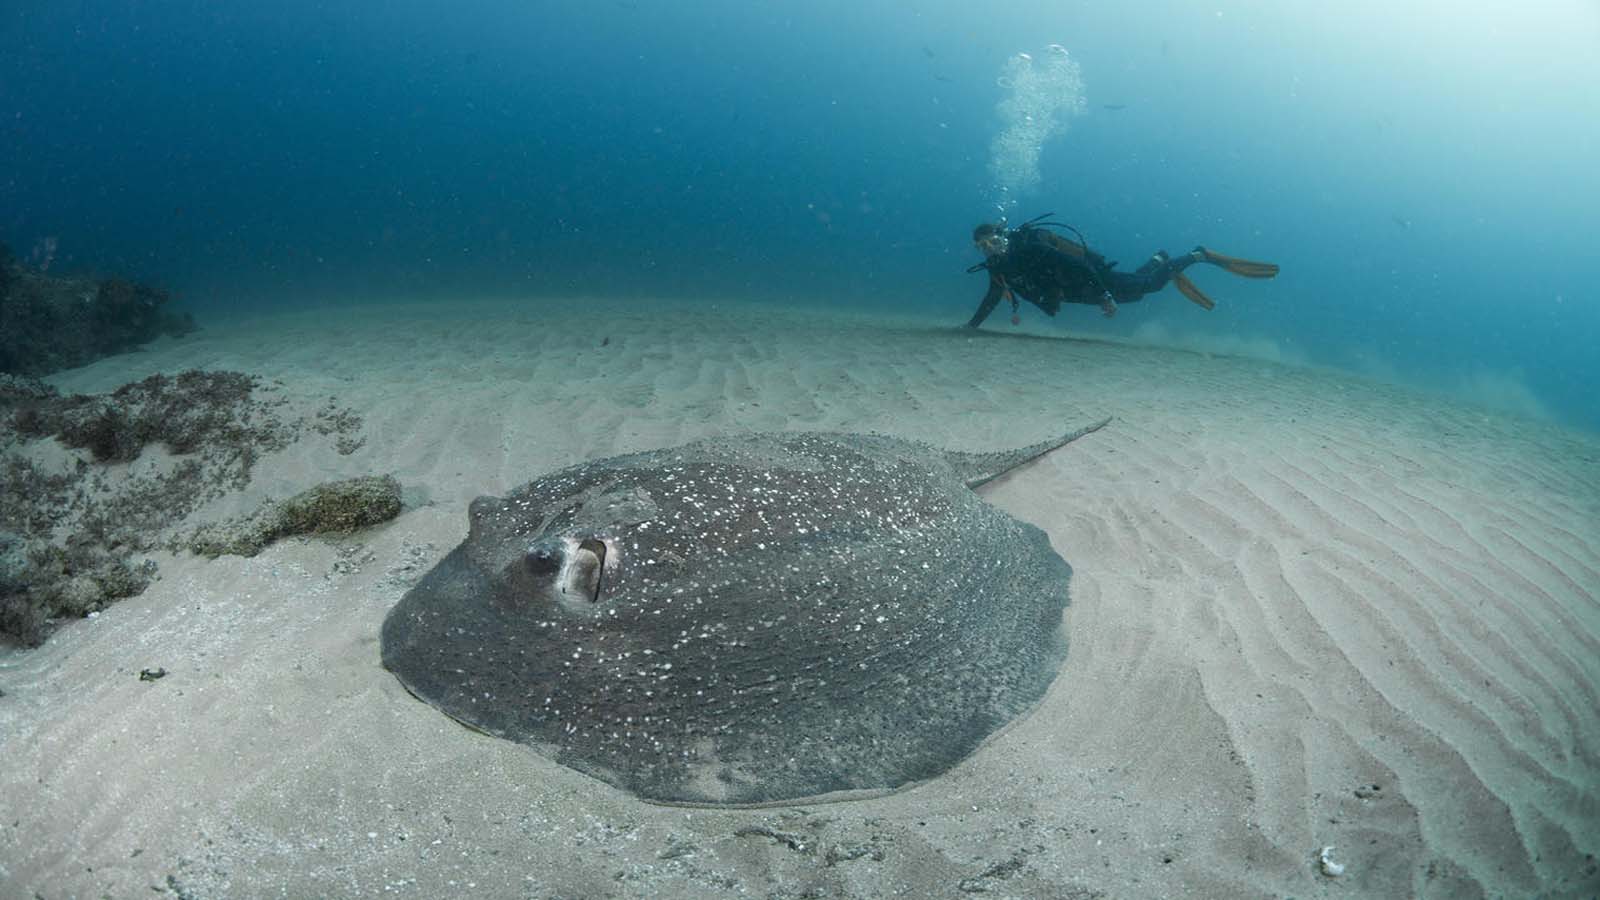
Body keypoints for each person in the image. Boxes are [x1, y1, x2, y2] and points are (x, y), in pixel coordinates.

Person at [964, 214, 1279, 328]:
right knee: (1138, 289)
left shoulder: (1031, 248)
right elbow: (993, 295)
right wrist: (972, 326)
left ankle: (1199, 254)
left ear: (1004, 238)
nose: (990, 250)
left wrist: (1104, 295)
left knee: (1150, 286)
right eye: (983, 247)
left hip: (1093, 281)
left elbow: (1076, 265)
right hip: (1078, 292)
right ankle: (1158, 259)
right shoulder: (997, 266)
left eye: (994, 242)